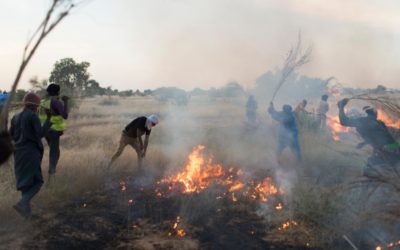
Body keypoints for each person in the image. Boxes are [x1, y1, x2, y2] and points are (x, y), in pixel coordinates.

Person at [10, 92, 51, 218]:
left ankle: (27, 216)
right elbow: (40, 134)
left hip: (18, 152)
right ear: (35, 106)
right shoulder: (33, 116)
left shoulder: (15, 117)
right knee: (37, 181)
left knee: (25, 184)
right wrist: (48, 120)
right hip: (30, 152)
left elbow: (11, 136)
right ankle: (22, 203)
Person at [338, 98, 399, 169]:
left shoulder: (363, 121)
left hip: (387, 149)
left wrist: (341, 107)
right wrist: (364, 143)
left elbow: (343, 121)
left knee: (370, 170)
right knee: (392, 167)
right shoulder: (378, 122)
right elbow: (378, 135)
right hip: (395, 147)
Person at [39, 84, 68, 179]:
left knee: (54, 151)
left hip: (45, 129)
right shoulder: (56, 102)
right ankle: (51, 176)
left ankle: (51, 173)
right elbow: (65, 115)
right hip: (54, 129)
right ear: (58, 92)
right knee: (54, 153)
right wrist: (65, 102)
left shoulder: (43, 101)